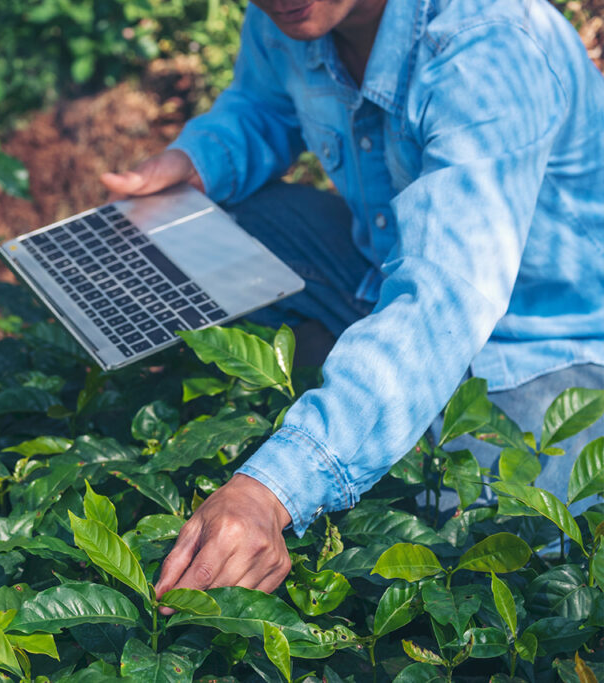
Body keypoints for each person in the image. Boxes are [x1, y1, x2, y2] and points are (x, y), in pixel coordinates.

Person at [100, 0, 604, 602]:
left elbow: (442, 302)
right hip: (378, 267)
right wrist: (197, 164)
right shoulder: (294, 16)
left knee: (480, 543)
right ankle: (351, 385)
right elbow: (262, 108)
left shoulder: (489, 50)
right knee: (192, 234)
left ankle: (351, 396)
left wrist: (271, 489)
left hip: (538, 345)